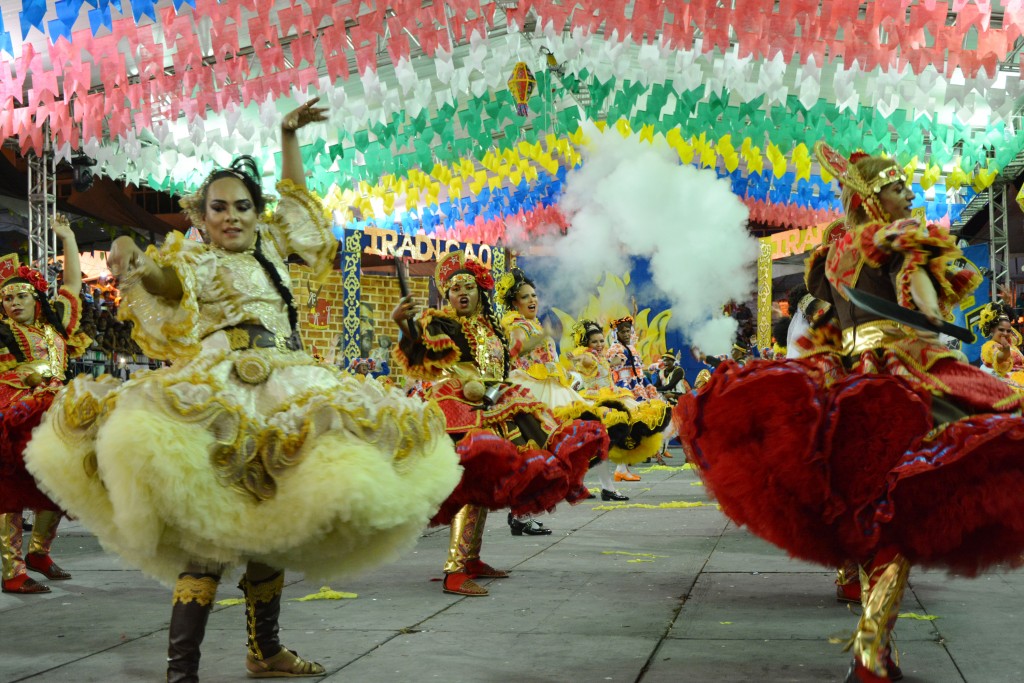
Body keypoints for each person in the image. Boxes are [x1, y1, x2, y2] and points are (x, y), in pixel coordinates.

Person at [25, 98, 462, 682]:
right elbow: (167, 280)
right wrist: (134, 263)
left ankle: (266, 651)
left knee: (270, 524)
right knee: (210, 537)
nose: (231, 216)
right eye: (218, 208)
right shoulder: (197, 260)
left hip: (286, 380)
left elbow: (298, 204)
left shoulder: (274, 250)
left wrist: (287, 136)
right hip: (221, 386)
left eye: (242, 207)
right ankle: (183, 671)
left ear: (257, 214)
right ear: (200, 218)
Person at [677, 141, 1024, 683]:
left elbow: (827, 324)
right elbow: (925, 315)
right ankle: (871, 653)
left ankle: (867, 633)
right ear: (870, 196)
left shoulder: (833, 251)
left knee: (859, 500)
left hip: (848, 380)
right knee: (912, 500)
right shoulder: (896, 241)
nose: (908, 194)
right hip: (898, 379)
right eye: (897, 186)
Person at [392, 250, 608, 597]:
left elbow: (513, 353)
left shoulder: (489, 327)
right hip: (458, 408)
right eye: (453, 288)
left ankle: (472, 558)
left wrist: (542, 336)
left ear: (481, 292)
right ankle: (455, 569)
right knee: (470, 486)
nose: (461, 293)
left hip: (496, 402)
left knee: (487, 482)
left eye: (468, 287)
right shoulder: (442, 322)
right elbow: (418, 348)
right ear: (446, 296)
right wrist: (403, 322)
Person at [0, 217, 90, 594]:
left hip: (52, 414)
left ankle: (39, 551)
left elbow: (71, 285)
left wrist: (68, 237)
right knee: (10, 491)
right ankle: (12, 570)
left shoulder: (56, 329)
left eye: (21, 296)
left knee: (61, 481)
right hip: (13, 419)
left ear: (36, 299)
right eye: (6, 298)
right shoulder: (3, 332)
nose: (14, 303)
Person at [497, 268, 618, 521]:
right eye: (525, 297)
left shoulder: (533, 324)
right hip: (531, 389)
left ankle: (525, 514)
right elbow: (515, 349)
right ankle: (521, 516)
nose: (532, 300)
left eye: (534, 295)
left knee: (559, 447)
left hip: (553, 386)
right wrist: (543, 335)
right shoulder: (515, 323)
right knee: (537, 452)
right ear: (513, 303)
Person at [566, 318, 671, 491]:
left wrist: (613, 363)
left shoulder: (602, 355)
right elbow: (582, 359)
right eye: (594, 341)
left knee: (609, 443)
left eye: (601, 340)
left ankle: (605, 482)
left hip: (614, 396)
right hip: (597, 401)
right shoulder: (587, 355)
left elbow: (608, 365)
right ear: (586, 343)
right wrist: (575, 358)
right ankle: (600, 484)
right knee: (601, 444)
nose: (599, 344)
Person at [606, 315, 669, 480]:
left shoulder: (631, 348)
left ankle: (623, 467)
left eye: (628, 330)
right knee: (628, 426)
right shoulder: (615, 348)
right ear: (616, 333)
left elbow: (638, 369)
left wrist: (650, 378)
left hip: (638, 386)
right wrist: (615, 361)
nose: (626, 334)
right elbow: (611, 363)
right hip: (625, 388)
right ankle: (621, 468)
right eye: (622, 331)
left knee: (636, 426)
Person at [978, 301, 1024, 389]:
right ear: (992, 329)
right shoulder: (989, 346)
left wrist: (1006, 305)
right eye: (1001, 330)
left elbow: (1018, 338)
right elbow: (999, 357)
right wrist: (1005, 351)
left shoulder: (1010, 342)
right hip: (1010, 384)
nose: (1005, 333)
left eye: (1008, 331)